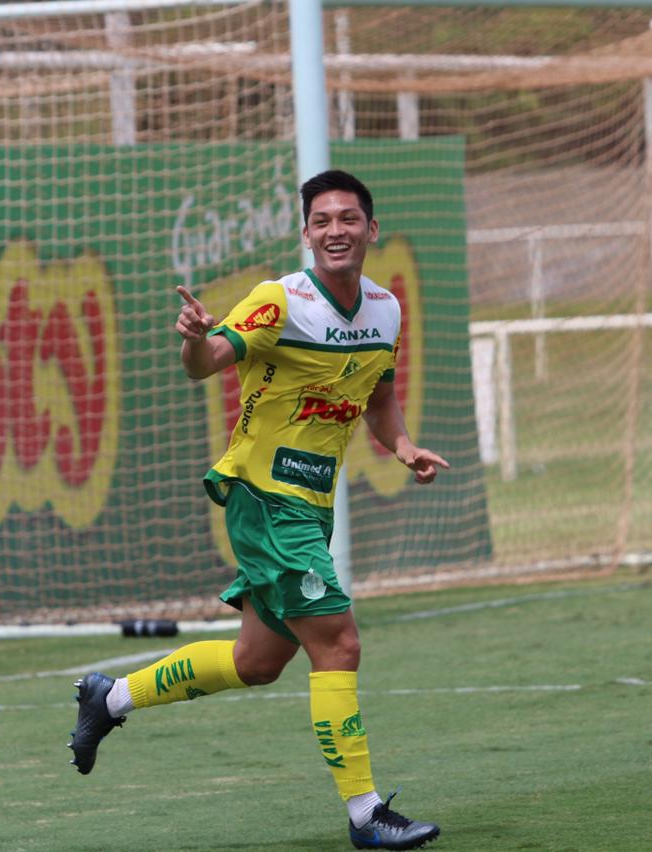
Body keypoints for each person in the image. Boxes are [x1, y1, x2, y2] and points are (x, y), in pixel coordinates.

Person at [67, 169, 447, 850]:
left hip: (310, 507)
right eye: (322, 221)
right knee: (340, 644)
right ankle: (366, 816)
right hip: (266, 500)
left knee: (257, 662)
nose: (335, 230)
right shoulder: (279, 300)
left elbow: (380, 395)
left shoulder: (386, 309)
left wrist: (403, 446)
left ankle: (111, 697)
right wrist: (194, 335)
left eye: (348, 218)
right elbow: (206, 360)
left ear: (371, 228)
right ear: (306, 234)